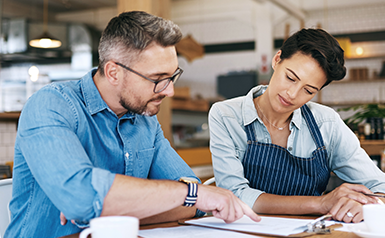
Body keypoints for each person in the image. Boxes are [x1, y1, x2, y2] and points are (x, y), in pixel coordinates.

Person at [5, 11, 260, 238]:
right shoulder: (50, 106)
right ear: (114, 72)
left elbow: (193, 201)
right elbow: (81, 197)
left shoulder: (146, 122)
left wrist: (103, 211)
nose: (170, 90)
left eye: (172, 76)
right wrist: (185, 194)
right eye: (158, 79)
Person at [209, 28, 385, 224]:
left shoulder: (326, 123)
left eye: (308, 90)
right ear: (277, 60)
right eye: (291, 78)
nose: (292, 94)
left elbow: (381, 186)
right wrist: (320, 203)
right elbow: (233, 194)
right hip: (245, 230)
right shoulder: (226, 115)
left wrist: (366, 204)